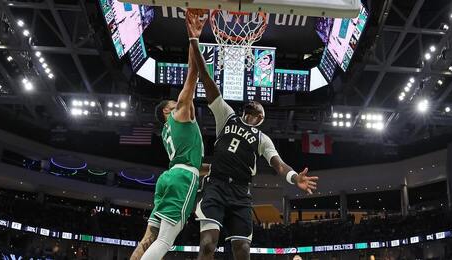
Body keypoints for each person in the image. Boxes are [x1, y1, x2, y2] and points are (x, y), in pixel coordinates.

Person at [185, 9, 319, 260]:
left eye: (260, 106)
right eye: (254, 102)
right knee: (207, 244)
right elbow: (206, 78)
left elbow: (278, 166)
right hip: (216, 184)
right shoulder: (226, 115)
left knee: (242, 249)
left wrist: (293, 178)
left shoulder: (262, 138)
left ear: (260, 118)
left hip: (241, 193)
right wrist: (195, 39)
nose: (256, 103)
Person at [129, 25, 208, 260]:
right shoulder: (178, 114)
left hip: (169, 177)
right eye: (174, 101)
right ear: (167, 110)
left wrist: (214, 168)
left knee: (148, 238)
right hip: (182, 179)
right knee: (164, 240)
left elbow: (190, 161)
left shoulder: (167, 131)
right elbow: (192, 76)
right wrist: (193, 38)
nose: (180, 100)